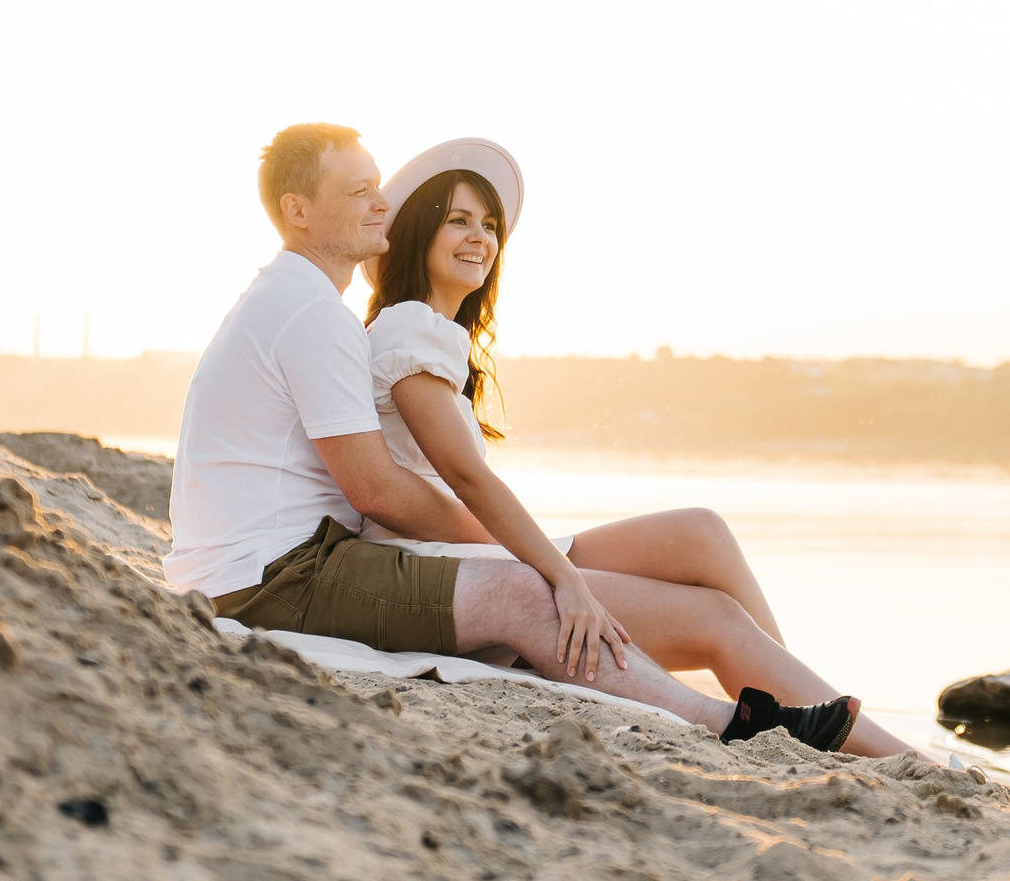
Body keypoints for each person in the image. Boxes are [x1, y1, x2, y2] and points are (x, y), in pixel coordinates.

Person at [163, 123, 862, 752]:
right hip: (272, 578)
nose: (382, 203)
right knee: (525, 593)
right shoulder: (312, 313)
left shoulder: (299, 304)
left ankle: (773, 705)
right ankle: (728, 724)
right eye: (360, 190)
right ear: (298, 210)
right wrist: (546, 566)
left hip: (266, 567)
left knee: (572, 571)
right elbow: (375, 488)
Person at [360, 137, 907, 759]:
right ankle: (879, 753)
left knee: (701, 532)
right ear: (417, 234)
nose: (479, 237)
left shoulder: (432, 334)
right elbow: (466, 478)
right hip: (442, 576)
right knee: (715, 618)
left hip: (462, 546)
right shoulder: (407, 327)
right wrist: (566, 580)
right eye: (457, 221)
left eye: (489, 225)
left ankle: (810, 711)